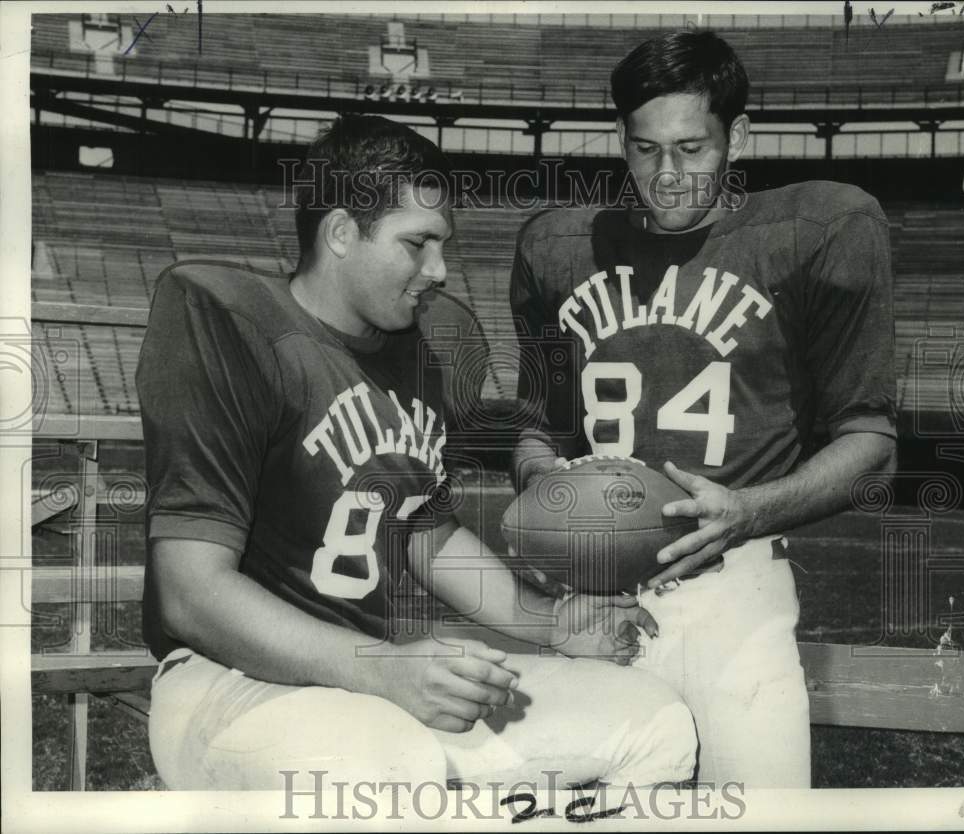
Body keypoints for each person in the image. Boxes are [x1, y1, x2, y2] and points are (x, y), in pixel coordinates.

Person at [136, 114, 698, 791]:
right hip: (232, 682)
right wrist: (378, 667)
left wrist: (549, 623)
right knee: (391, 761)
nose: (439, 270)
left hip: (383, 684)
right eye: (417, 244)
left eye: (444, 245)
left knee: (652, 720)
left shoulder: (433, 340)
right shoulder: (229, 320)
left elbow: (426, 534)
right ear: (342, 232)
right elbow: (189, 594)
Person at [509, 30, 897, 788]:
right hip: (600, 587)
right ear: (622, 140)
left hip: (736, 589)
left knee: (764, 808)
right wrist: (546, 483)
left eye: (691, 148)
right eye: (647, 150)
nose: (668, 174)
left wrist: (747, 509)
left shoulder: (815, 231)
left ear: (737, 137)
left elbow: (872, 444)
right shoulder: (557, 247)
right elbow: (538, 429)